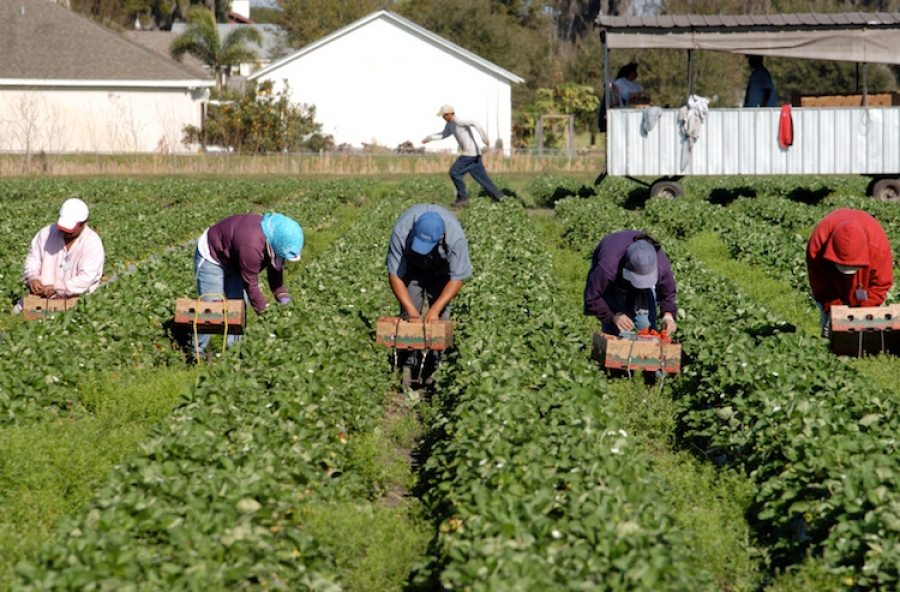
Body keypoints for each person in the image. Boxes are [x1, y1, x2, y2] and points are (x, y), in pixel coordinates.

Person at [192, 212, 303, 357]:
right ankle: (196, 353)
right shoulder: (252, 246)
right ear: (275, 244)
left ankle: (233, 353)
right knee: (211, 306)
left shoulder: (273, 239)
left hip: (236, 258)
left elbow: (276, 274)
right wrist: (266, 314)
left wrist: (284, 298)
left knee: (238, 306)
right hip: (213, 255)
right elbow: (251, 285)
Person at [386, 204, 472, 387]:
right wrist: (412, 311)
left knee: (440, 318)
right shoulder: (402, 230)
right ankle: (409, 362)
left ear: (442, 237)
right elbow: (394, 275)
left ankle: (434, 364)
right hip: (412, 267)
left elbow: (457, 278)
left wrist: (434, 309)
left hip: (442, 270)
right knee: (410, 315)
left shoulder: (456, 238)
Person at [806, 208, 893, 337]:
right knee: (830, 331)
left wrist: (864, 314)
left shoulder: (878, 247)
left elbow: (879, 285)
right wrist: (836, 312)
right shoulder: (817, 246)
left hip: (864, 288)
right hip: (832, 285)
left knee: (869, 330)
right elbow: (821, 287)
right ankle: (829, 343)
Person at [583, 230, 678, 336]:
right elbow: (592, 298)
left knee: (646, 326)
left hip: (642, 289)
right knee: (619, 332)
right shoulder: (607, 267)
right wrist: (614, 316)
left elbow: (668, 294)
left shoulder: (661, 266)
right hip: (614, 284)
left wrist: (668, 316)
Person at [17, 198, 105, 311]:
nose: (65, 232)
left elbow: (85, 279)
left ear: (84, 223)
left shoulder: (92, 243)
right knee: (18, 311)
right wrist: (33, 278)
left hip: (78, 300)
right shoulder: (45, 234)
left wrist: (57, 288)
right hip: (42, 296)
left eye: (70, 230)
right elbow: (33, 260)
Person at [422, 104, 505, 207]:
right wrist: (429, 138)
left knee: (454, 172)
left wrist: (484, 139)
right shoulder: (450, 124)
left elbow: (475, 123)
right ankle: (500, 197)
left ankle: (462, 198)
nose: (443, 118)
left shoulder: (458, 120)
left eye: (444, 116)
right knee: (482, 178)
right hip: (475, 155)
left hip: (469, 154)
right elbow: (443, 135)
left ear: (449, 114)